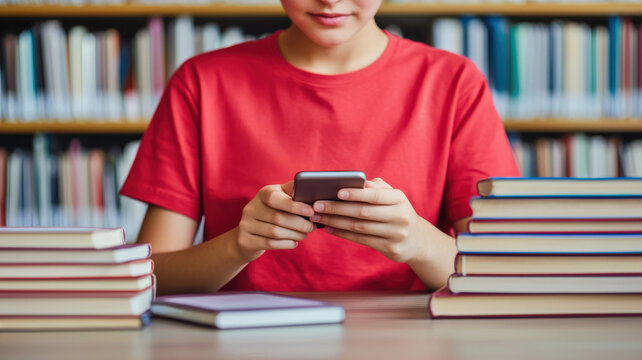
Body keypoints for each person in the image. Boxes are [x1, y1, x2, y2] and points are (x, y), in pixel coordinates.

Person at [120, 0, 520, 295]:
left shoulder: (454, 84)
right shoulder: (202, 82)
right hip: (248, 341)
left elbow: (504, 275)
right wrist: (238, 245)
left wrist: (417, 241)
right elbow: (151, 275)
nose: (330, 1)